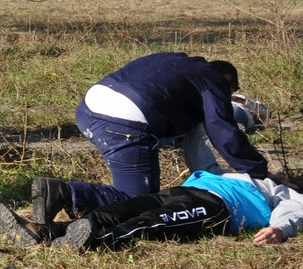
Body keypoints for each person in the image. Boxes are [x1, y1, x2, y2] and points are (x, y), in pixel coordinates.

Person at [75, 52, 276, 195]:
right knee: (136, 201)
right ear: (228, 78)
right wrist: (258, 172)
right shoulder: (214, 79)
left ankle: (57, 194)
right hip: (123, 124)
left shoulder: (175, 61)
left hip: (87, 111)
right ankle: (63, 193)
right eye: (228, 93)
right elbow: (222, 130)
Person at [0, 169, 303, 250]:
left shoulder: (279, 190)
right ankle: (45, 232)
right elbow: (197, 146)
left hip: (218, 208)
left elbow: (297, 210)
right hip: (182, 190)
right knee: (118, 210)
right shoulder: (235, 172)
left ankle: (96, 243)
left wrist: (280, 229)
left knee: (150, 223)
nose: (281, 174)